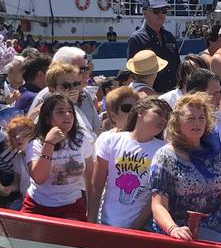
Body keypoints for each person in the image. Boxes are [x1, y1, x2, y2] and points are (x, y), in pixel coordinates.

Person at [147, 92, 221, 244]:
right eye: (190, 118)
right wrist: (173, 229)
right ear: (177, 122)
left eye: (201, 118)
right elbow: (158, 205)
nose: (197, 123)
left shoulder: (214, 153)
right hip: (184, 232)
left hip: (219, 227)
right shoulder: (165, 156)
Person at [90, 97, 170, 228]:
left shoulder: (164, 150)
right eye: (159, 114)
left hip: (141, 227)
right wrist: (91, 222)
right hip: (104, 222)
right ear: (140, 112)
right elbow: (96, 185)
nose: (163, 120)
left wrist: (135, 228)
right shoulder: (110, 140)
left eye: (166, 117)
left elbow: (155, 197)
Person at [22, 92, 94, 221]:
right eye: (60, 112)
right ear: (47, 118)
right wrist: (49, 144)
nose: (67, 115)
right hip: (38, 204)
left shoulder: (81, 139)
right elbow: (39, 178)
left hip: (72, 205)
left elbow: (90, 175)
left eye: (70, 111)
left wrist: (91, 210)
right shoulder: (35, 143)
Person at [125, 0, 181, 93]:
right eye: (156, 11)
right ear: (145, 12)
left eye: (164, 11)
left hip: (173, 93)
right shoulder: (136, 39)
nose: (161, 14)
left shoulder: (170, 37)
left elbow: (177, 65)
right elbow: (133, 72)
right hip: (151, 95)